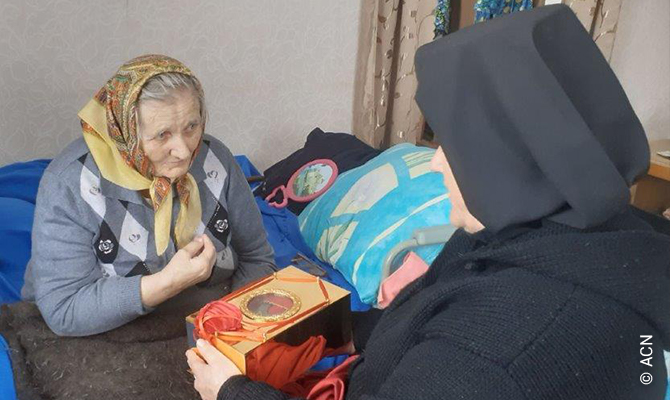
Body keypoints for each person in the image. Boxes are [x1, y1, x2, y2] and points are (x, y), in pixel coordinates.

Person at [186, 5, 670, 400]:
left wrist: (231, 392)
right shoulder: (590, 231)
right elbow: (437, 306)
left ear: (505, 161)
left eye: (451, 149)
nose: (435, 165)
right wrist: (346, 331)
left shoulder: (493, 355)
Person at [21, 54, 276, 337]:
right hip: (101, 332)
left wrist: (233, 329)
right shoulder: (70, 184)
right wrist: (166, 284)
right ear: (124, 132)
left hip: (208, 318)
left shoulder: (216, 158)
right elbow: (64, 310)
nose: (183, 151)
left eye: (191, 126)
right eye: (162, 135)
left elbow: (257, 257)